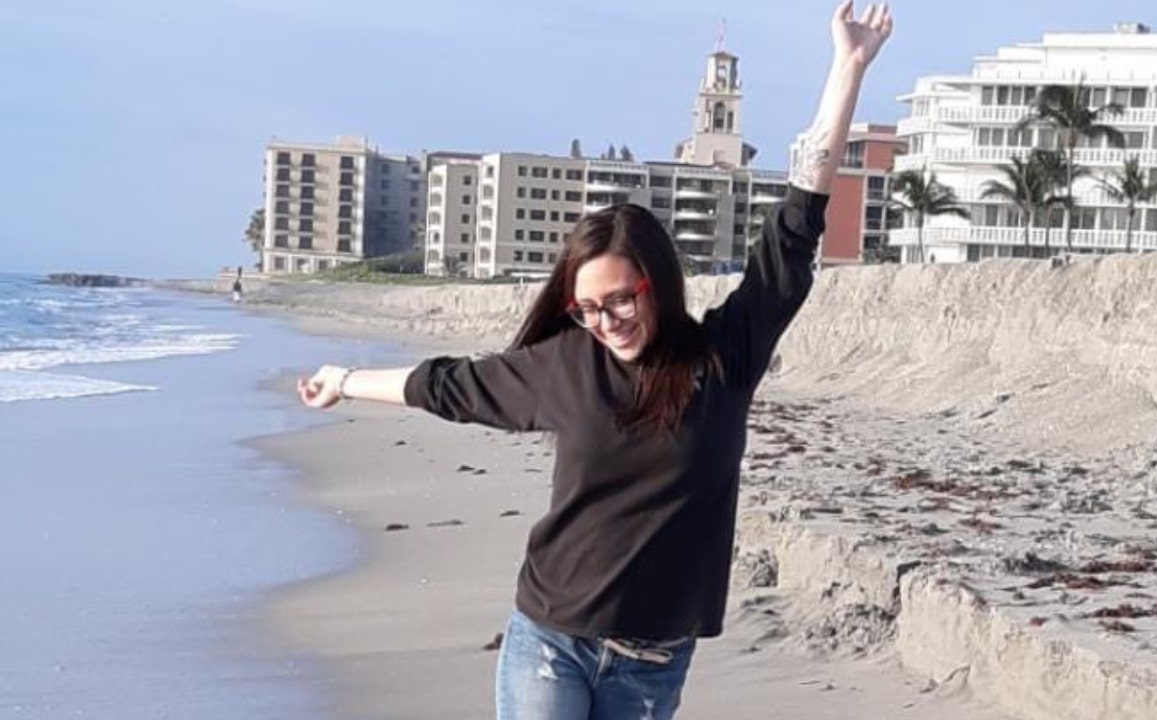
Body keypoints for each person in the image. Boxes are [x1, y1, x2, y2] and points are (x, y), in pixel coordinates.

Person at [297, 4, 892, 717]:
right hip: (550, 638)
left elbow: (796, 227)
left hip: (653, 660)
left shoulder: (724, 355)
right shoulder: (564, 365)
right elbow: (451, 385)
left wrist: (846, 69)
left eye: (621, 300)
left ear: (656, 283)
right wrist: (345, 381)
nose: (606, 322)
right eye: (587, 309)